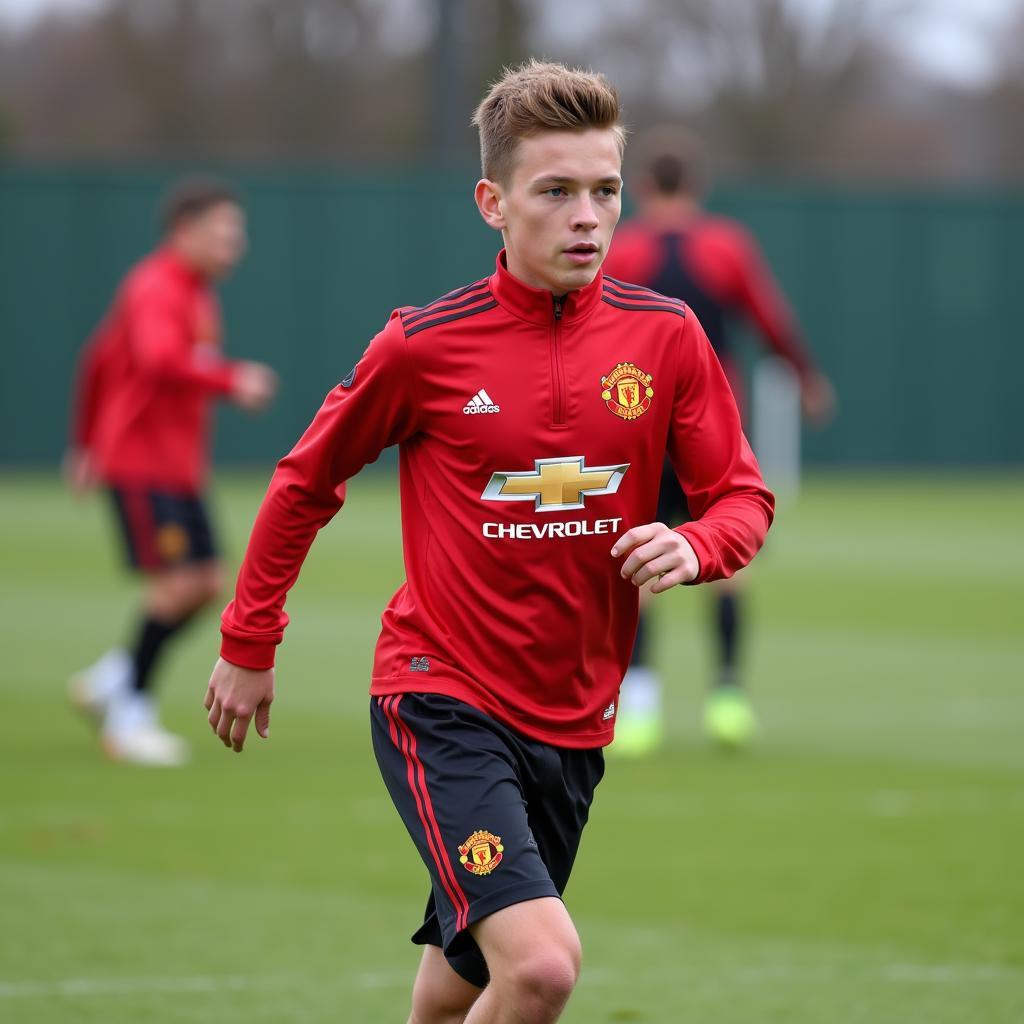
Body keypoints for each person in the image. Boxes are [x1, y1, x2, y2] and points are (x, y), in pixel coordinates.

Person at [204, 62, 774, 1024]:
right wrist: (249, 642)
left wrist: (700, 545)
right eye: (555, 191)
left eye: (604, 190)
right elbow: (306, 480)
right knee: (542, 967)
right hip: (443, 696)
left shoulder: (667, 339)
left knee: (461, 981)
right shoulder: (424, 347)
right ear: (493, 203)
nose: (586, 216)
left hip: (574, 717)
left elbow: (742, 496)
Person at [601, 127, 835, 754]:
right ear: (697, 187)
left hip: (640, 428)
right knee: (732, 561)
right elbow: (769, 319)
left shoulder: (624, 250)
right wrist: (807, 378)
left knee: (641, 567)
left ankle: (641, 707)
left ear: (643, 188)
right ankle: (727, 698)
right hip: (714, 427)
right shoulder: (726, 246)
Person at [66, 177, 277, 766]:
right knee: (180, 584)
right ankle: (128, 714)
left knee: (206, 582)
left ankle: (113, 678)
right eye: (223, 233)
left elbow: (98, 358)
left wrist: (81, 441)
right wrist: (231, 380)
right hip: (142, 464)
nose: (235, 245)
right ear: (186, 232)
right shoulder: (157, 286)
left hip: (176, 467)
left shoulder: (194, 290)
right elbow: (158, 361)